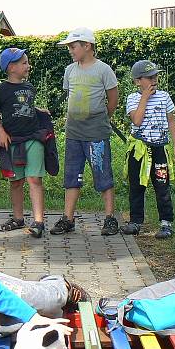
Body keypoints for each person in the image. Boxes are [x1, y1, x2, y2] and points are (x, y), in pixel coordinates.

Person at [50, 27, 120, 236]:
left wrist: (102, 118)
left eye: (73, 46)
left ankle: (109, 218)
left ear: (87, 46)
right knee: (72, 176)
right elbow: (70, 95)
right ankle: (68, 219)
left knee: (103, 175)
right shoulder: (70, 70)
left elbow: (113, 99)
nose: (70, 50)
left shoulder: (103, 70)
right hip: (73, 134)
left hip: (97, 134)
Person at [0, 48, 50, 238]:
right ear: (11, 67)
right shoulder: (0, 91)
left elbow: (26, 107)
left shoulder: (30, 87)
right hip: (12, 143)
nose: (28, 65)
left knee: (35, 179)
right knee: (16, 181)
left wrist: (39, 110)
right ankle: (18, 218)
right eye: (24, 63)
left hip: (33, 139)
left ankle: (38, 221)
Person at [121, 60, 175, 239]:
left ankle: (166, 223)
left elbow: (171, 121)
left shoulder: (164, 97)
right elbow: (137, 121)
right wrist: (145, 98)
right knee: (136, 186)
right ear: (137, 81)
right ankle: (135, 222)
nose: (154, 80)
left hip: (160, 148)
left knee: (162, 186)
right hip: (139, 150)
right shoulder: (133, 98)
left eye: (156, 76)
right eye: (149, 77)